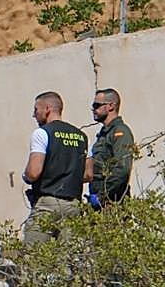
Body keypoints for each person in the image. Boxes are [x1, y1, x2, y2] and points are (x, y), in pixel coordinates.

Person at [21, 91, 87, 244]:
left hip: (47, 204)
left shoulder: (42, 133)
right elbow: (88, 174)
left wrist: (25, 176)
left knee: (35, 254)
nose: (34, 115)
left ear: (47, 109)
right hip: (73, 205)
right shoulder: (81, 136)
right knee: (68, 256)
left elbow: (33, 172)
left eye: (36, 109)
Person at [85, 88, 135, 209]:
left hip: (113, 202)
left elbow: (122, 169)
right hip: (100, 201)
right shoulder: (104, 134)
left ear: (111, 106)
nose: (93, 109)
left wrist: (102, 196)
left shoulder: (120, 132)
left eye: (97, 105)